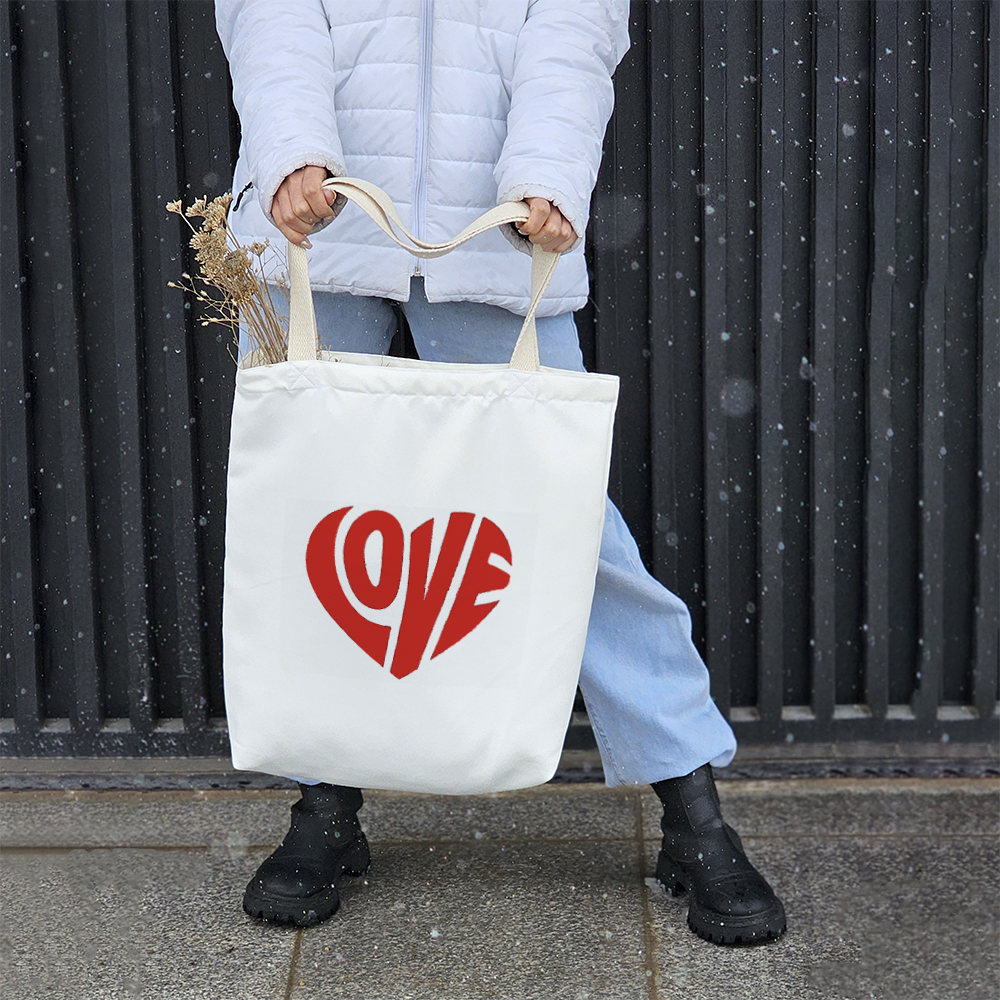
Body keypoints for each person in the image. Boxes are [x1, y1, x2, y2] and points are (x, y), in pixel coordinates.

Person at [215, 0, 786, 946]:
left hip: (495, 232)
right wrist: (291, 153)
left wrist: (548, 174)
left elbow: (573, 27)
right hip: (316, 228)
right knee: (311, 526)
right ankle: (323, 802)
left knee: (568, 528)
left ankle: (693, 812)